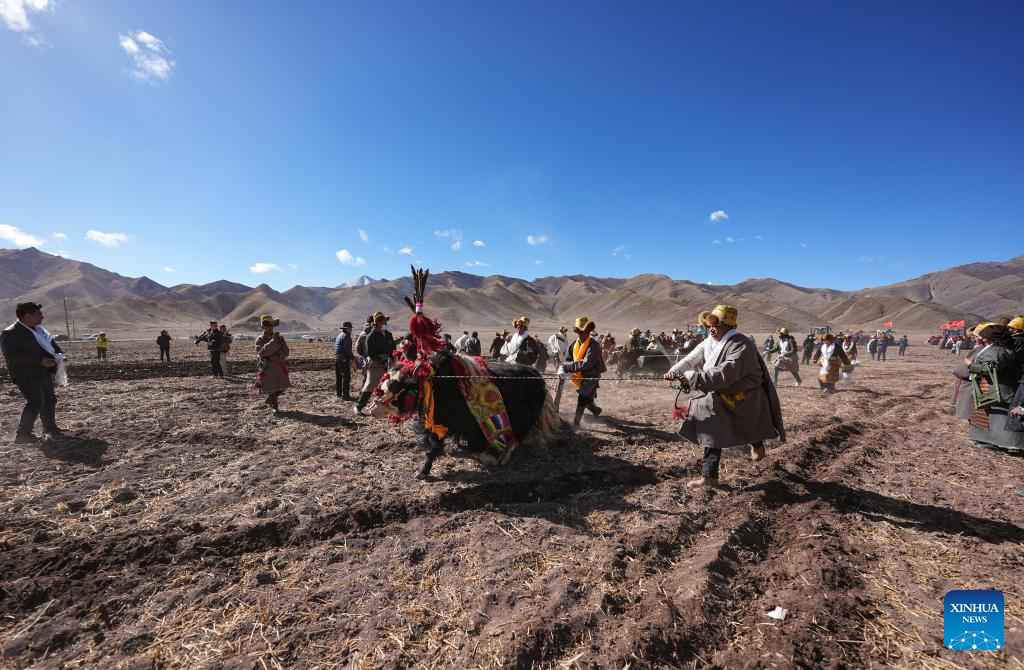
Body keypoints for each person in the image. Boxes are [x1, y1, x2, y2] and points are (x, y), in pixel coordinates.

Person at [665, 305, 785, 489]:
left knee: (748, 427)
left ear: (730, 326)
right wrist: (674, 372)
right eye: (709, 325)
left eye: (717, 325)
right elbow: (691, 359)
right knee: (711, 429)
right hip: (719, 395)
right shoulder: (709, 341)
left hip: (745, 398)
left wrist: (693, 378)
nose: (711, 329)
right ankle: (709, 477)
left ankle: (757, 444)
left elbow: (725, 373)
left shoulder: (742, 345)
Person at [1, 302, 66, 443]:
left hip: (43, 372)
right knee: (36, 401)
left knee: (50, 400)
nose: (42, 316)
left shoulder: (40, 331)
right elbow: (13, 356)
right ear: (27, 316)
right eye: (38, 314)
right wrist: (39, 361)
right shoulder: (10, 333)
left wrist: (59, 356)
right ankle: (23, 434)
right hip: (25, 374)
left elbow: (52, 346)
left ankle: (50, 428)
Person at [965, 323, 1023, 452]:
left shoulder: (997, 351)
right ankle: (986, 439)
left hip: (997, 388)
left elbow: (992, 369)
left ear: (989, 337)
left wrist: (971, 365)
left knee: (997, 415)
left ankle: (1003, 442)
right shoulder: (996, 348)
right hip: (988, 387)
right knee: (986, 415)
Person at [560, 317, 606, 428]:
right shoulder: (574, 344)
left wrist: (567, 367)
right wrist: (565, 366)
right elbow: (569, 358)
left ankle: (576, 424)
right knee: (587, 399)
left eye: (583, 332)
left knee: (582, 397)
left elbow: (586, 364)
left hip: (592, 375)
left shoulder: (594, 346)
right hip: (580, 375)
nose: (581, 334)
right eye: (579, 332)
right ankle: (596, 410)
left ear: (588, 332)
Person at [355, 312, 395, 415]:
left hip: (388, 363)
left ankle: (386, 408)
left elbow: (392, 348)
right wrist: (383, 361)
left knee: (389, 386)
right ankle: (359, 407)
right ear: (378, 322)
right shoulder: (371, 336)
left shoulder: (388, 334)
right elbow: (371, 353)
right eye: (382, 321)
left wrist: (391, 359)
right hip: (375, 364)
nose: (384, 323)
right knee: (370, 385)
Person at [254, 315, 290, 413]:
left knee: (284, 386)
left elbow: (286, 352)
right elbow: (262, 353)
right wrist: (273, 343)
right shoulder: (260, 339)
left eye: (271, 325)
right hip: (267, 367)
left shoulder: (280, 338)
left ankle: (270, 400)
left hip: (279, 366)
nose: (270, 328)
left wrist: (274, 355)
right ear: (263, 327)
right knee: (271, 389)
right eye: (267, 325)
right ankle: (275, 407)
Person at [334, 321, 355, 400]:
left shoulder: (339, 336)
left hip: (337, 358)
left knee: (339, 377)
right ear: (347, 329)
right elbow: (347, 350)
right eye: (350, 328)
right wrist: (353, 358)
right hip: (344, 359)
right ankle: (345, 395)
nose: (351, 330)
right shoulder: (346, 336)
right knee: (346, 377)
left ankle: (339, 393)